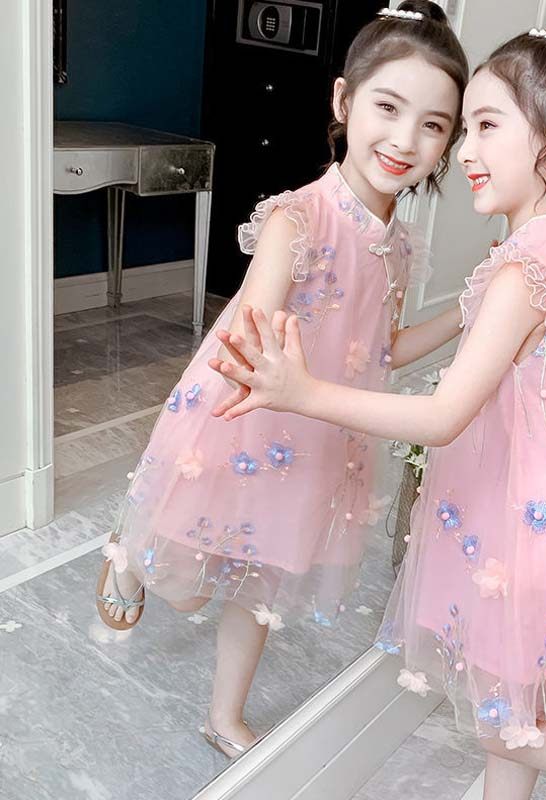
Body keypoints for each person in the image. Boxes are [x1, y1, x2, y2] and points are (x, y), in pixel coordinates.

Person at [208, 20, 546, 798]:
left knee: (508, 725)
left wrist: (304, 394)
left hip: (525, 522)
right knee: (514, 712)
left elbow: (443, 417)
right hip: (535, 510)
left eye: (487, 126)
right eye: (464, 130)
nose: (464, 151)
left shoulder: (524, 270)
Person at [95, 0, 469, 757]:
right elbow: (252, 332)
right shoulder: (297, 219)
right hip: (244, 418)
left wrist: (470, 313)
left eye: (433, 124)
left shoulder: (400, 247)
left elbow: (385, 349)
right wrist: (282, 370)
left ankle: (224, 716)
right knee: (188, 577)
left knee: (262, 576)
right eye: (388, 108)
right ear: (343, 101)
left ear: (448, 141)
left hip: (321, 433)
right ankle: (128, 555)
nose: (405, 139)